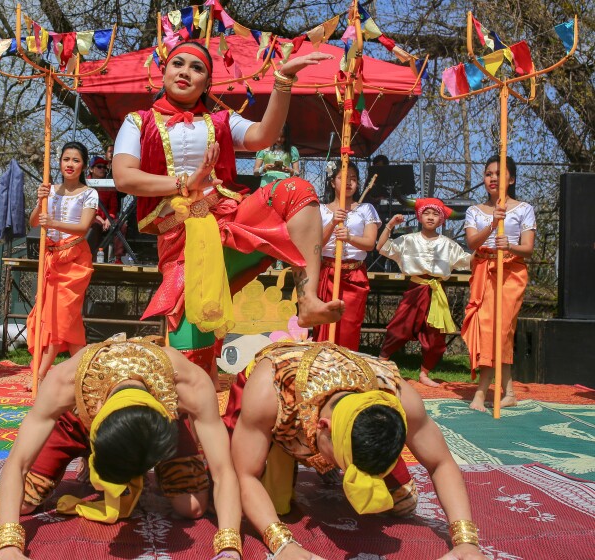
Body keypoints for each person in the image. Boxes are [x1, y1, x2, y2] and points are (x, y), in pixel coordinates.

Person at [112, 40, 343, 375]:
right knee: (191, 355)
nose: (186, 72)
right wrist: (186, 183)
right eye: (179, 64)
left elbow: (263, 136)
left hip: (231, 225)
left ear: (207, 83)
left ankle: (307, 300)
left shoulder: (220, 120)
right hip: (182, 240)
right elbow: (123, 176)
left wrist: (282, 80)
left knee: (297, 189)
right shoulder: (139, 121)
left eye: (197, 68)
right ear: (162, 73)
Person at [227, 341, 487, 560]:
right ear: (323, 427)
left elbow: (440, 462)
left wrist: (466, 540)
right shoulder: (270, 392)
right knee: (253, 500)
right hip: (281, 419)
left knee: (403, 504)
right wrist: (282, 544)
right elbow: (245, 474)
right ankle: (294, 462)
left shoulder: (395, 393)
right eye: (344, 464)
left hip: (343, 402)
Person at [0, 337, 243, 560]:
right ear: (99, 404)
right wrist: (8, 546)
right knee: (24, 504)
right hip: (76, 421)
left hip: (158, 420)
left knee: (192, 507)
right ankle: (92, 454)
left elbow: (223, 472)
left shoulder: (189, 384)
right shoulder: (67, 380)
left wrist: (230, 548)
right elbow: (17, 464)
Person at [462, 156, 535, 412]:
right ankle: (509, 391)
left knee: (501, 330)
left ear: (511, 179)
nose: (493, 178)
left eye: (499, 174)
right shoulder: (474, 211)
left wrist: (510, 245)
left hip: (510, 273)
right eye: (489, 173)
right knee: (485, 330)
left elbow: (528, 248)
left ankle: (482, 393)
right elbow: (472, 243)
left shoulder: (524, 208)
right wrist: (492, 225)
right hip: (484, 272)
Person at [376, 199, 472, 387]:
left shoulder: (448, 245)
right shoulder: (408, 240)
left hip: (437, 292)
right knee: (400, 326)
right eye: (427, 213)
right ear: (419, 216)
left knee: (435, 334)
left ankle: (424, 373)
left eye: (436, 214)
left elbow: (468, 261)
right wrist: (390, 226)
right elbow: (381, 247)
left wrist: (485, 242)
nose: (430, 217)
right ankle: (381, 362)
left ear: (442, 219)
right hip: (415, 289)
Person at [26, 142, 97, 386]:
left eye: (76, 160)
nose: (70, 164)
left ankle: (41, 373)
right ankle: (87, 369)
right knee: (62, 319)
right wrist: (40, 201)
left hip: (75, 260)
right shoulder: (50, 190)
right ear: (59, 162)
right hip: (51, 259)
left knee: (60, 316)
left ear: (83, 165)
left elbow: (83, 227)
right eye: (66, 159)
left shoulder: (89, 193)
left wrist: (53, 222)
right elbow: (34, 222)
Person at [315, 161, 380, 350]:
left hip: (354, 275)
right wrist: (333, 223)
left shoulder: (366, 209)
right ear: (332, 182)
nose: (349, 183)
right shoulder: (321, 210)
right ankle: (323, 368)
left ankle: (346, 370)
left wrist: (350, 237)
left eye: (353, 178)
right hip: (328, 273)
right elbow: (316, 244)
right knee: (325, 323)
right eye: (343, 178)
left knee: (349, 326)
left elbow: (369, 244)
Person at [87, 155, 126, 263]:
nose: (103, 169)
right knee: (94, 225)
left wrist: (110, 217)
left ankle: (118, 258)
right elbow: (84, 205)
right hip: (91, 217)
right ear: (91, 169)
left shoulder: (109, 184)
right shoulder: (85, 184)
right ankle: (89, 256)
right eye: (99, 167)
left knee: (121, 225)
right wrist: (97, 217)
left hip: (107, 218)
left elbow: (113, 206)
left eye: (105, 167)